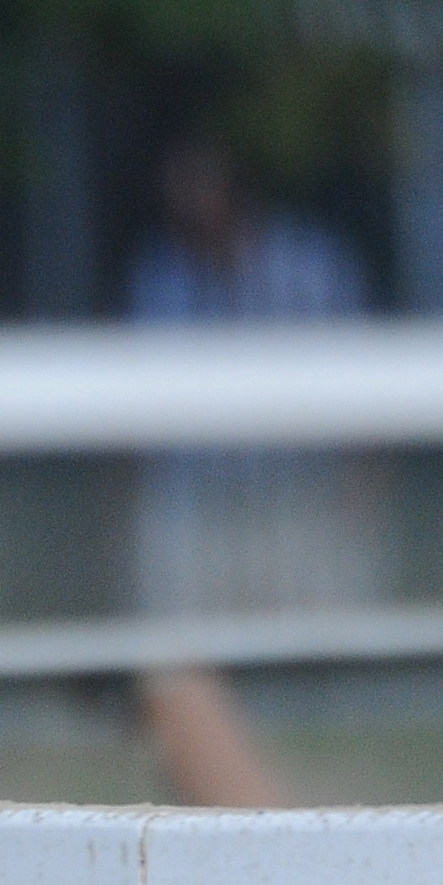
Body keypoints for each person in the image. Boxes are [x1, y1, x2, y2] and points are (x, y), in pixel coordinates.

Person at [126, 131, 381, 614]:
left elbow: (358, 390)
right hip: (197, 505)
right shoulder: (159, 279)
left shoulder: (313, 268)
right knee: (186, 653)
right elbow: (138, 412)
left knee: (317, 646)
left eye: (201, 189)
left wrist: (359, 488)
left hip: (300, 498)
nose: (190, 209)